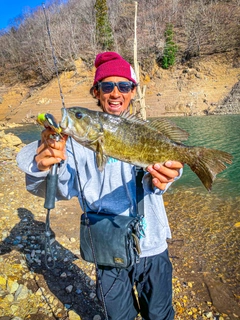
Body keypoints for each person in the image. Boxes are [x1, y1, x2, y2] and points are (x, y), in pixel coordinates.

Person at [17, 52, 183, 320]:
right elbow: (56, 188)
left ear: (132, 91)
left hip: (152, 245)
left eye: (124, 86)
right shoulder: (76, 144)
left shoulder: (147, 133)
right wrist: (44, 163)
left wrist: (170, 175)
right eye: (107, 86)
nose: (115, 93)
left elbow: (166, 172)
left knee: (161, 315)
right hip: (107, 250)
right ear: (96, 91)